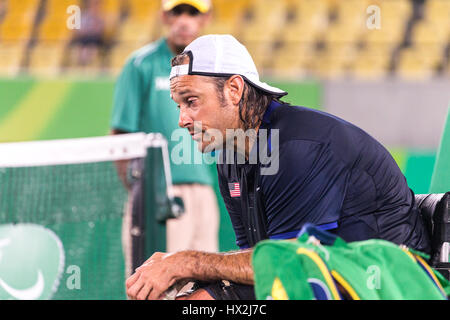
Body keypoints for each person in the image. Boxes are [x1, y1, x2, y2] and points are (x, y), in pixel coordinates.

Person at [125, 34, 431, 300]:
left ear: (234, 89)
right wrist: (187, 275)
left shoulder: (298, 149)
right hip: (319, 273)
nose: (182, 119)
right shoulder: (230, 158)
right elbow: (256, 259)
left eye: (191, 101)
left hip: (385, 281)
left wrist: (186, 263)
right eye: (179, 106)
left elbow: (292, 263)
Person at [110, 0, 219, 278]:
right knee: (156, 284)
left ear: (205, 18)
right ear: (164, 16)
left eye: (192, 13)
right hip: (160, 195)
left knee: (208, 285)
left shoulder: (212, 70)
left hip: (204, 194)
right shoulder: (140, 65)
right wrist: (141, 194)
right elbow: (121, 134)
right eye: (177, 12)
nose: (184, 20)